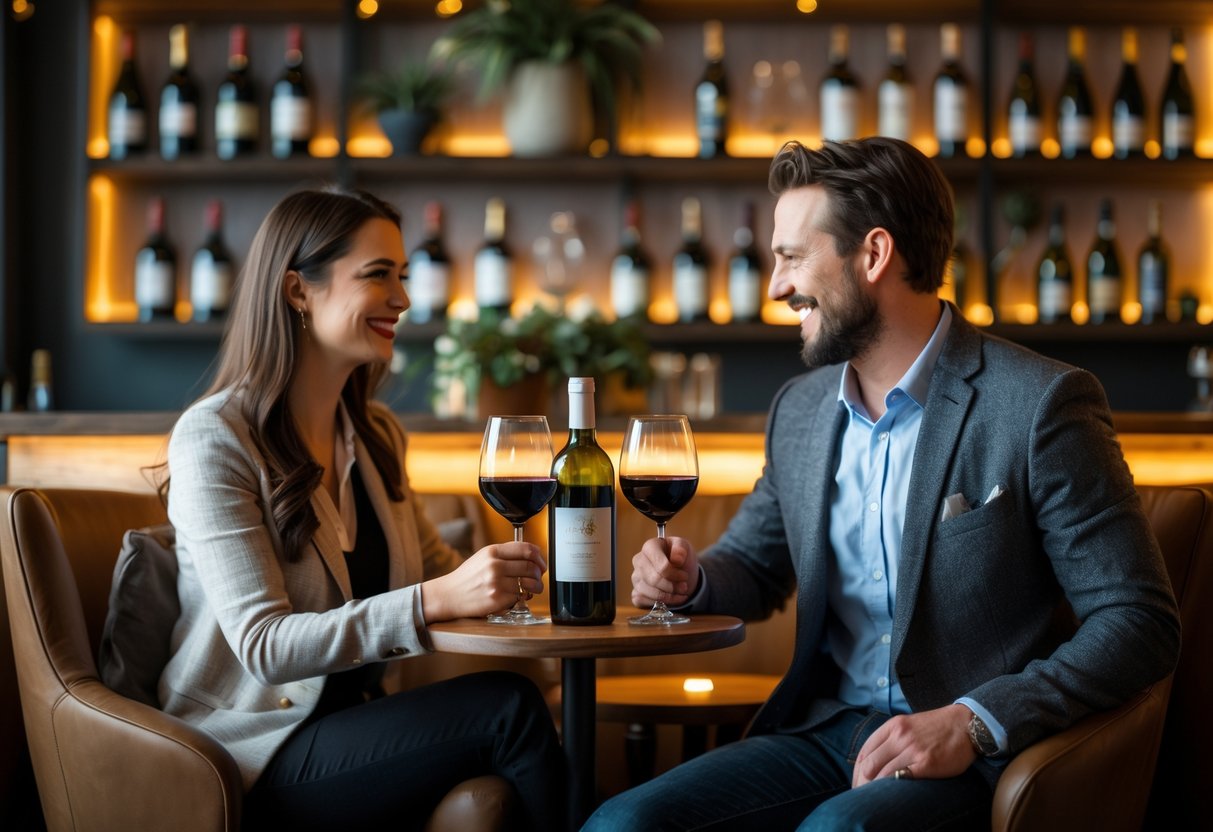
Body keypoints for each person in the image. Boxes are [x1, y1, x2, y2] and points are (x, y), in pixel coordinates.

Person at [584, 138, 1181, 831]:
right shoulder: (800, 410)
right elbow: (754, 564)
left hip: (973, 752)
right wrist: (689, 581)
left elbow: (1138, 622)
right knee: (620, 824)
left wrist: (970, 722)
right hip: (826, 731)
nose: (775, 286)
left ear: (872, 255)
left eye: (791, 257)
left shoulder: (1039, 403)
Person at [158, 187, 564, 831]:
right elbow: (264, 646)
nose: (404, 298)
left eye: (402, 276)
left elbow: (440, 568)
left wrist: (551, 622)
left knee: (526, 708)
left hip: (355, 732)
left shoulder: (376, 435)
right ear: (298, 290)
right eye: (378, 275)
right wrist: (438, 599)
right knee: (508, 711)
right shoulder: (216, 438)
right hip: (250, 751)